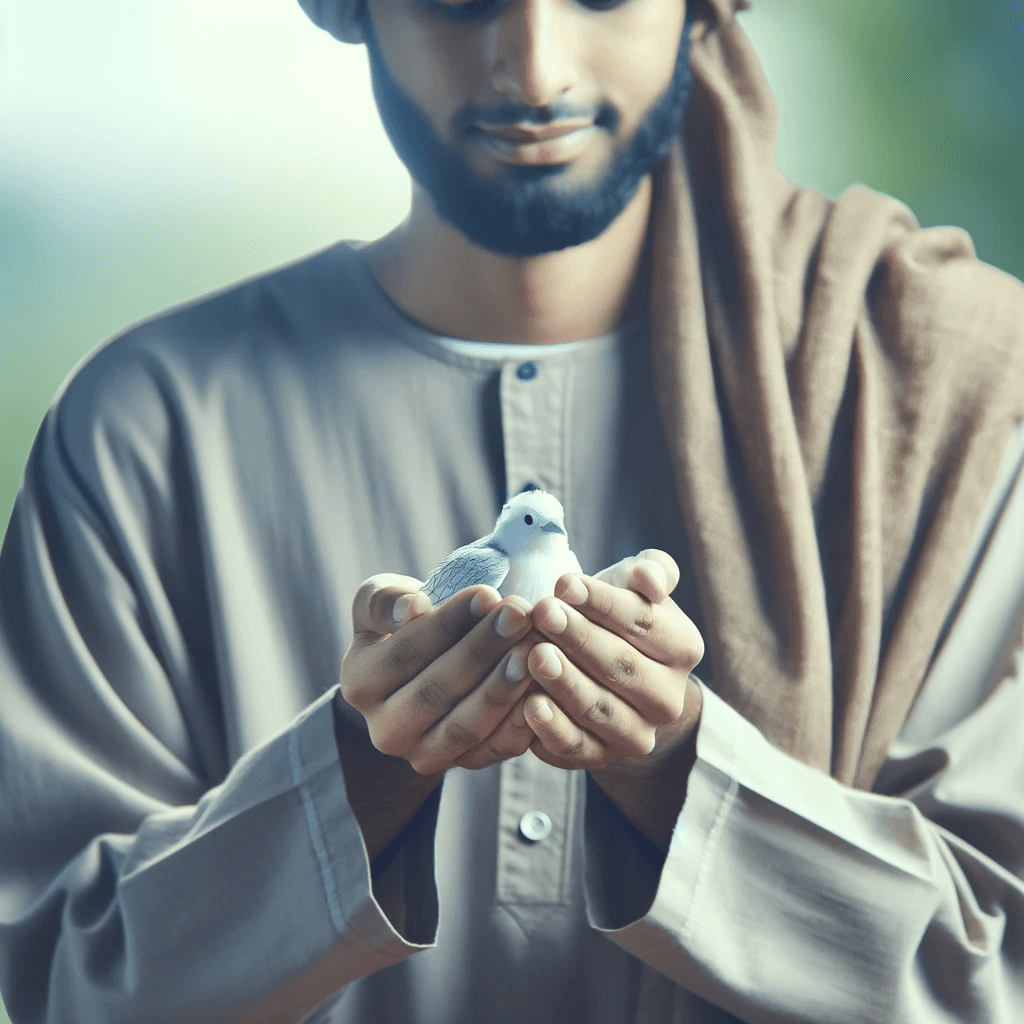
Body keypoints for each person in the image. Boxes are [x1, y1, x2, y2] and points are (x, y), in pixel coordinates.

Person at [1, 0, 1023, 1021]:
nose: (534, 71)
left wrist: (681, 778)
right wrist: (357, 779)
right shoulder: (142, 432)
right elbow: (60, 985)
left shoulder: (943, 397)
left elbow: (999, 973)